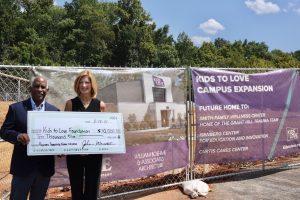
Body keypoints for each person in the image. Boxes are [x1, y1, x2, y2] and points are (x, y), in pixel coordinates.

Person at [0, 76, 59, 200]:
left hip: (44, 169)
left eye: (43, 87)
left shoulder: (55, 112)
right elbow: (4, 131)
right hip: (22, 168)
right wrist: (17, 136)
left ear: (47, 90)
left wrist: (61, 147)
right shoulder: (16, 109)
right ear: (30, 88)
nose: (40, 89)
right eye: (36, 86)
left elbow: (58, 136)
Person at [64, 70, 106, 200]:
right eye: (81, 82)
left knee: (92, 190)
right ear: (77, 85)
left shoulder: (100, 105)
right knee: (76, 189)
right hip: (74, 154)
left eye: (87, 82)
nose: (83, 85)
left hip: (94, 155)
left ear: (92, 85)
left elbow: (103, 131)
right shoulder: (70, 104)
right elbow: (66, 130)